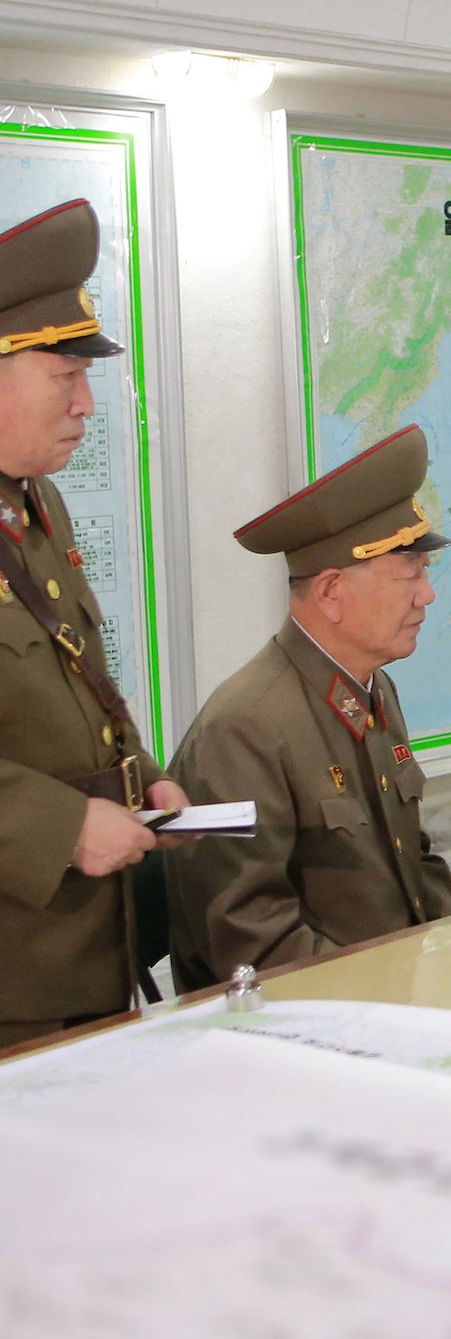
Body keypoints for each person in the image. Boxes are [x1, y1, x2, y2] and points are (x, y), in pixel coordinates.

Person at [165, 425, 451, 990]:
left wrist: (446, 958)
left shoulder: (371, 686)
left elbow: (416, 865)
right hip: (313, 1021)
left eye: (424, 573)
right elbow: (251, 939)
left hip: (395, 997)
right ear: (330, 593)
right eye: (408, 575)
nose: (427, 595)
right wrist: (384, 997)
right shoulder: (245, 727)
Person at [0, 198, 191, 1046]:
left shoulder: (37, 506)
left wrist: (140, 774)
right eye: (64, 377)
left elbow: (74, 679)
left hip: (83, 941)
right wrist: (62, 825)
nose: (85, 404)